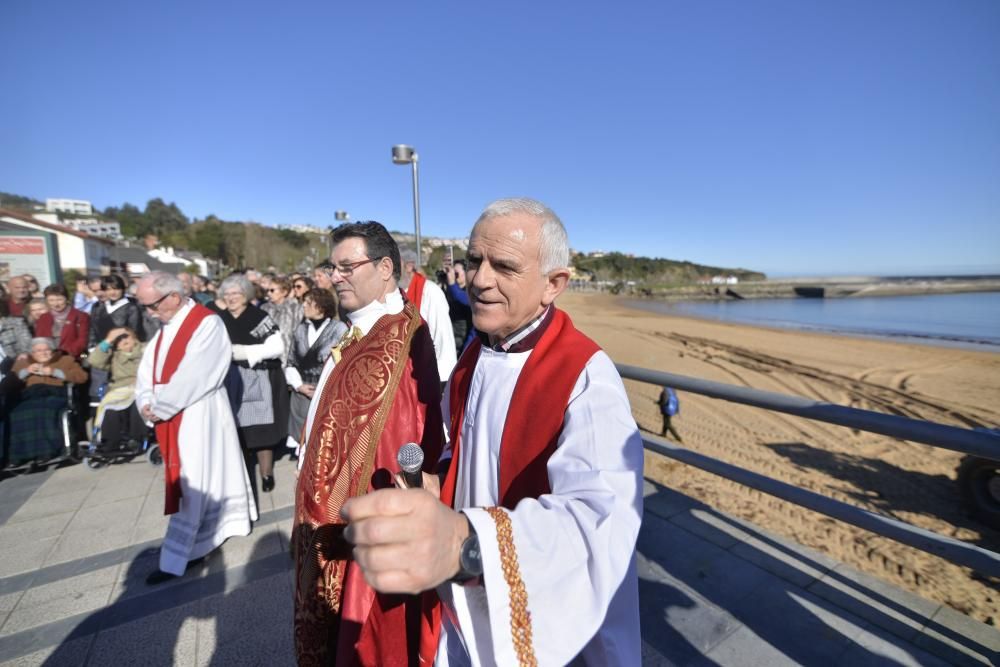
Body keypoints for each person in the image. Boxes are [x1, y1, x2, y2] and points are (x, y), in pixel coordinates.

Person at [342, 198, 644, 665]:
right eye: (474, 260)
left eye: (504, 266)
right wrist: (434, 483)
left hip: (544, 625)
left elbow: (599, 521)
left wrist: (467, 544)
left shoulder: (587, 378)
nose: (479, 279)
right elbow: (459, 449)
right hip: (467, 605)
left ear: (553, 285)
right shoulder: (473, 358)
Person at [293, 221, 444, 666]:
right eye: (332, 267)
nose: (334, 276)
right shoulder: (362, 331)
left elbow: (401, 437)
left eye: (346, 266)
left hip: (357, 533)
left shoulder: (398, 339)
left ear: (384, 268)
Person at [134, 271, 257, 585]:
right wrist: (146, 399)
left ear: (173, 298)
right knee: (205, 477)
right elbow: (147, 370)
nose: (148, 312)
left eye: (150, 305)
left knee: (194, 480)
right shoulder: (166, 327)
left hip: (200, 413)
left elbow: (197, 375)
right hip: (176, 410)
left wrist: (159, 407)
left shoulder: (206, 323)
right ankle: (206, 538)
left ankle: (183, 553)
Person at [218, 273, 289, 495]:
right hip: (228, 377)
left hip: (257, 377)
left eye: (236, 293)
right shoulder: (218, 319)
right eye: (227, 294)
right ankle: (240, 476)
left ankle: (266, 474)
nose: (231, 298)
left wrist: (241, 352)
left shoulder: (259, 316)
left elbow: (277, 346)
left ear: (246, 295)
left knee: (259, 429)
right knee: (234, 428)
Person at [4, 337, 88, 466]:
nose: (43, 353)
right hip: (30, 396)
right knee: (15, 414)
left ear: (53, 350)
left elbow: (82, 377)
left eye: (46, 350)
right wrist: (26, 372)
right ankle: (19, 455)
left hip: (56, 394)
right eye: (38, 351)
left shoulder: (65, 360)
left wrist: (55, 372)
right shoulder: (22, 363)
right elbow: (7, 385)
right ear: (32, 353)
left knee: (45, 410)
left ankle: (48, 451)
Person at [283, 287, 346, 457]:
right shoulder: (300, 330)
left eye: (308, 302)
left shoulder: (339, 329)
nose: (303, 306)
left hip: (327, 394)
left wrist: (323, 388)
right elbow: (291, 361)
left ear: (321, 306)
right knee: (303, 448)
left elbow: (343, 364)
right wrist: (299, 386)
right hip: (302, 395)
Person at [401, 254, 458, 385]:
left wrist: (439, 384)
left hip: (429, 380)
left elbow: (443, 339)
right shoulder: (392, 293)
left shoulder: (431, 292)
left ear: (409, 266)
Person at [88, 327, 148, 452]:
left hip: (143, 386)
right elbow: (94, 361)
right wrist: (108, 340)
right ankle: (109, 442)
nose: (123, 340)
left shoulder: (146, 349)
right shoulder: (114, 356)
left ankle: (137, 439)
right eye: (118, 339)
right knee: (109, 408)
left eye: (125, 336)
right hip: (120, 388)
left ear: (134, 337)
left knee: (138, 403)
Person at [33, 284, 90, 359]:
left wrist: (67, 353)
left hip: (75, 356)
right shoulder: (43, 318)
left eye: (59, 300)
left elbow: (82, 340)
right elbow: (39, 339)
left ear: (67, 299)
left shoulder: (80, 316)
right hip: (48, 358)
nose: (56, 304)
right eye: (51, 300)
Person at [89, 274, 144, 347]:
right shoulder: (98, 307)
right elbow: (93, 328)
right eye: (108, 289)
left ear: (122, 289)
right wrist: (92, 346)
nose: (112, 292)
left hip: (123, 350)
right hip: (101, 350)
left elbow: (134, 331)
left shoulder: (131, 307)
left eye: (116, 289)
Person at [261, 276, 303, 367]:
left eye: (272, 290)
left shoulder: (295, 309)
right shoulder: (264, 309)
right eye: (267, 290)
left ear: (284, 292)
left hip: (288, 356)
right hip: (267, 356)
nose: (268, 293)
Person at [444, 259, 475, 354]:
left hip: (464, 344)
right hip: (451, 341)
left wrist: (452, 284)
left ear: (466, 273)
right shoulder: (450, 291)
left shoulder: (473, 292)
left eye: (456, 273)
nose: (453, 276)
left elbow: (460, 297)